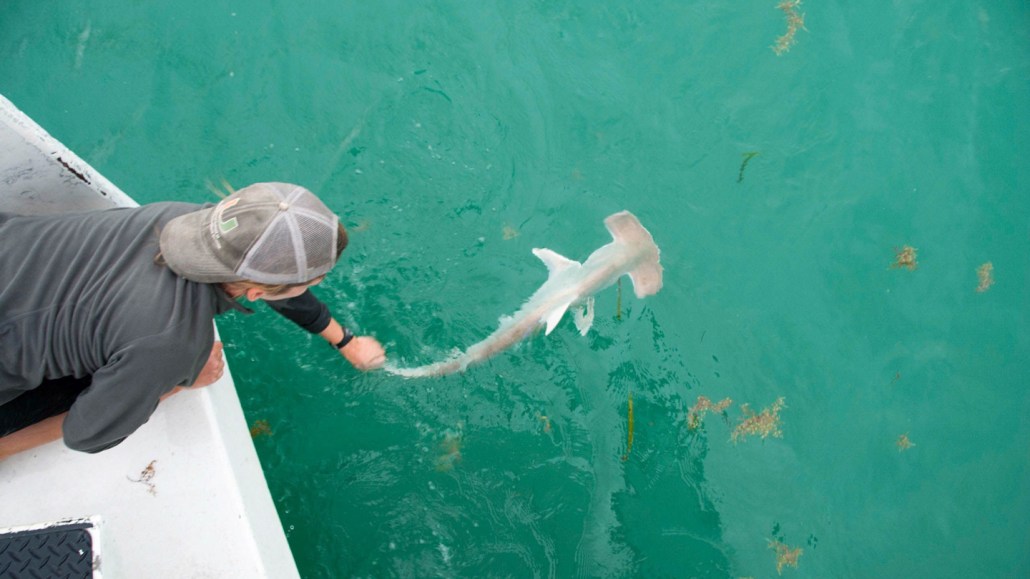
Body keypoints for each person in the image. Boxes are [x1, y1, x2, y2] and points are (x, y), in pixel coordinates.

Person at [0, 182, 385, 460]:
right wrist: (178, 383)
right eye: (314, 280)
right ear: (256, 292)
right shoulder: (172, 342)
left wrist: (343, 339)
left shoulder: (183, 218)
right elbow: (86, 435)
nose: (317, 283)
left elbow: (263, 269)